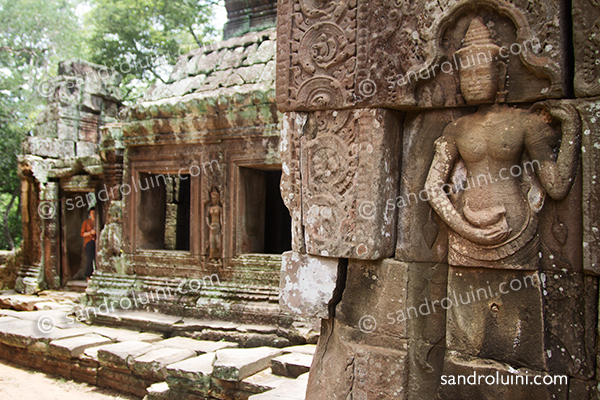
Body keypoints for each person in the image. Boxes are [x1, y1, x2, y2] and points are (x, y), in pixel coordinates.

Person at [81, 207, 97, 279]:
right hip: (89, 242)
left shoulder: (97, 222)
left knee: (96, 258)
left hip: (96, 242)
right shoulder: (86, 222)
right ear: (90, 214)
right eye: (92, 213)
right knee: (89, 259)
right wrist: (90, 233)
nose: (93, 215)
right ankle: (88, 275)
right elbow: (82, 234)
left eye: (95, 213)